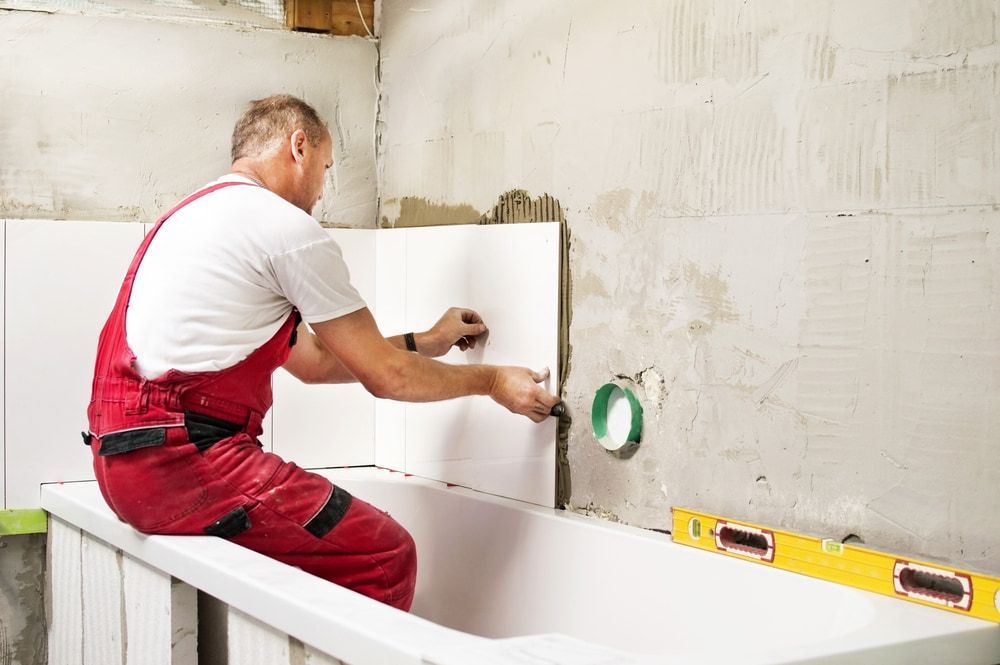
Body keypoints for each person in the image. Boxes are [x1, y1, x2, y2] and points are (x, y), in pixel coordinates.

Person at [85, 94, 561, 611]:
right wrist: (492, 382)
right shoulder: (285, 229)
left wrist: (427, 341)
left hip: (126, 463)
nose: (321, 193)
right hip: (184, 462)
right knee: (383, 557)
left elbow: (312, 362)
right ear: (299, 147)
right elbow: (388, 379)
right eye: (326, 169)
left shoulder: (192, 217)